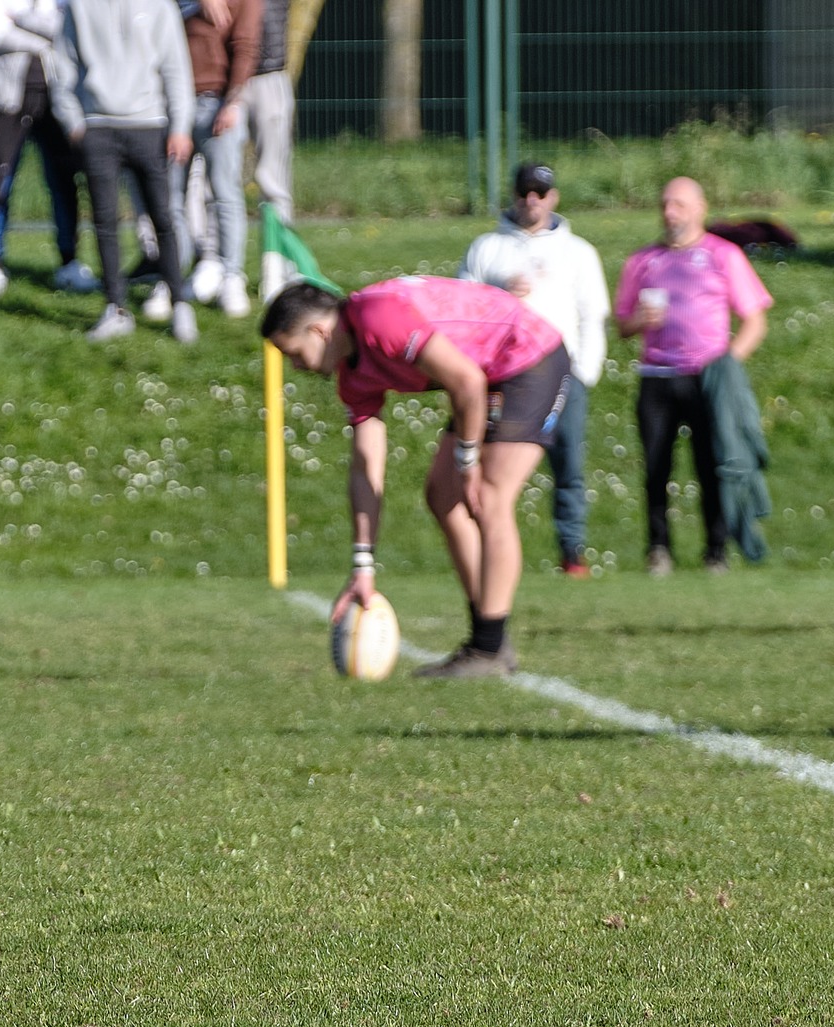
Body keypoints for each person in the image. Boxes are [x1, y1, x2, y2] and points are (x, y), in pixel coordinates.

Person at [263, 276, 570, 677]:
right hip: (484, 374)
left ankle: (489, 649)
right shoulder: (353, 378)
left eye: (295, 353)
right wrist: (363, 566)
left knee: (489, 496)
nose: (297, 367)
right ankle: (489, 642)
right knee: (443, 496)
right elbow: (365, 467)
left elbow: (467, 381)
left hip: (528, 356)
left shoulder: (377, 317)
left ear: (319, 330)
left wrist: (468, 460)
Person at [614, 176, 772, 576]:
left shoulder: (724, 255)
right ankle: (658, 548)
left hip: (706, 378)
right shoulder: (643, 260)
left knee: (713, 462)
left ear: (700, 208)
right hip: (656, 375)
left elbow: (754, 319)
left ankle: (716, 550)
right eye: (665, 204)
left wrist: (728, 362)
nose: (670, 212)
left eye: (680, 204)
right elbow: (622, 324)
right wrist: (639, 320)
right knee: (656, 466)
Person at [459, 162, 608, 575]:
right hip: (503, 377)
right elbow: (461, 306)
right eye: (525, 191)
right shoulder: (487, 247)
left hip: (563, 375)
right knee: (493, 466)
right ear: (513, 195)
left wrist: (584, 371)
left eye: (540, 192)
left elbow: (592, 314)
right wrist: (498, 293)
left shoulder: (578, 252)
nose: (531, 200)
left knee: (569, 466)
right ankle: (489, 548)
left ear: (553, 197)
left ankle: (572, 553)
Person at [48, 0, 200, 343]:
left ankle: (180, 304)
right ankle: (116, 308)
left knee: (163, 216)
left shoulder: (161, 6)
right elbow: (62, 65)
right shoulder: (78, 6)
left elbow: (176, 67)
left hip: (151, 125)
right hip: (98, 126)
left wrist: (181, 127)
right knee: (104, 220)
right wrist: (74, 123)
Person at [0, 0, 94, 301]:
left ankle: (70, 260)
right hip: (3, 98)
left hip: (55, 99)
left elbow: (67, 29)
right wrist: (43, 43)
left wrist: (18, 17)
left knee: (64, 182)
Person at [172, 0, 261, 318]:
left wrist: (232, 102)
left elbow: (246, 45)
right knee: (172, 200)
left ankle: (231, 276)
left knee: (226, 196)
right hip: (173, 105)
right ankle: (172, 279)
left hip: (217, 103)